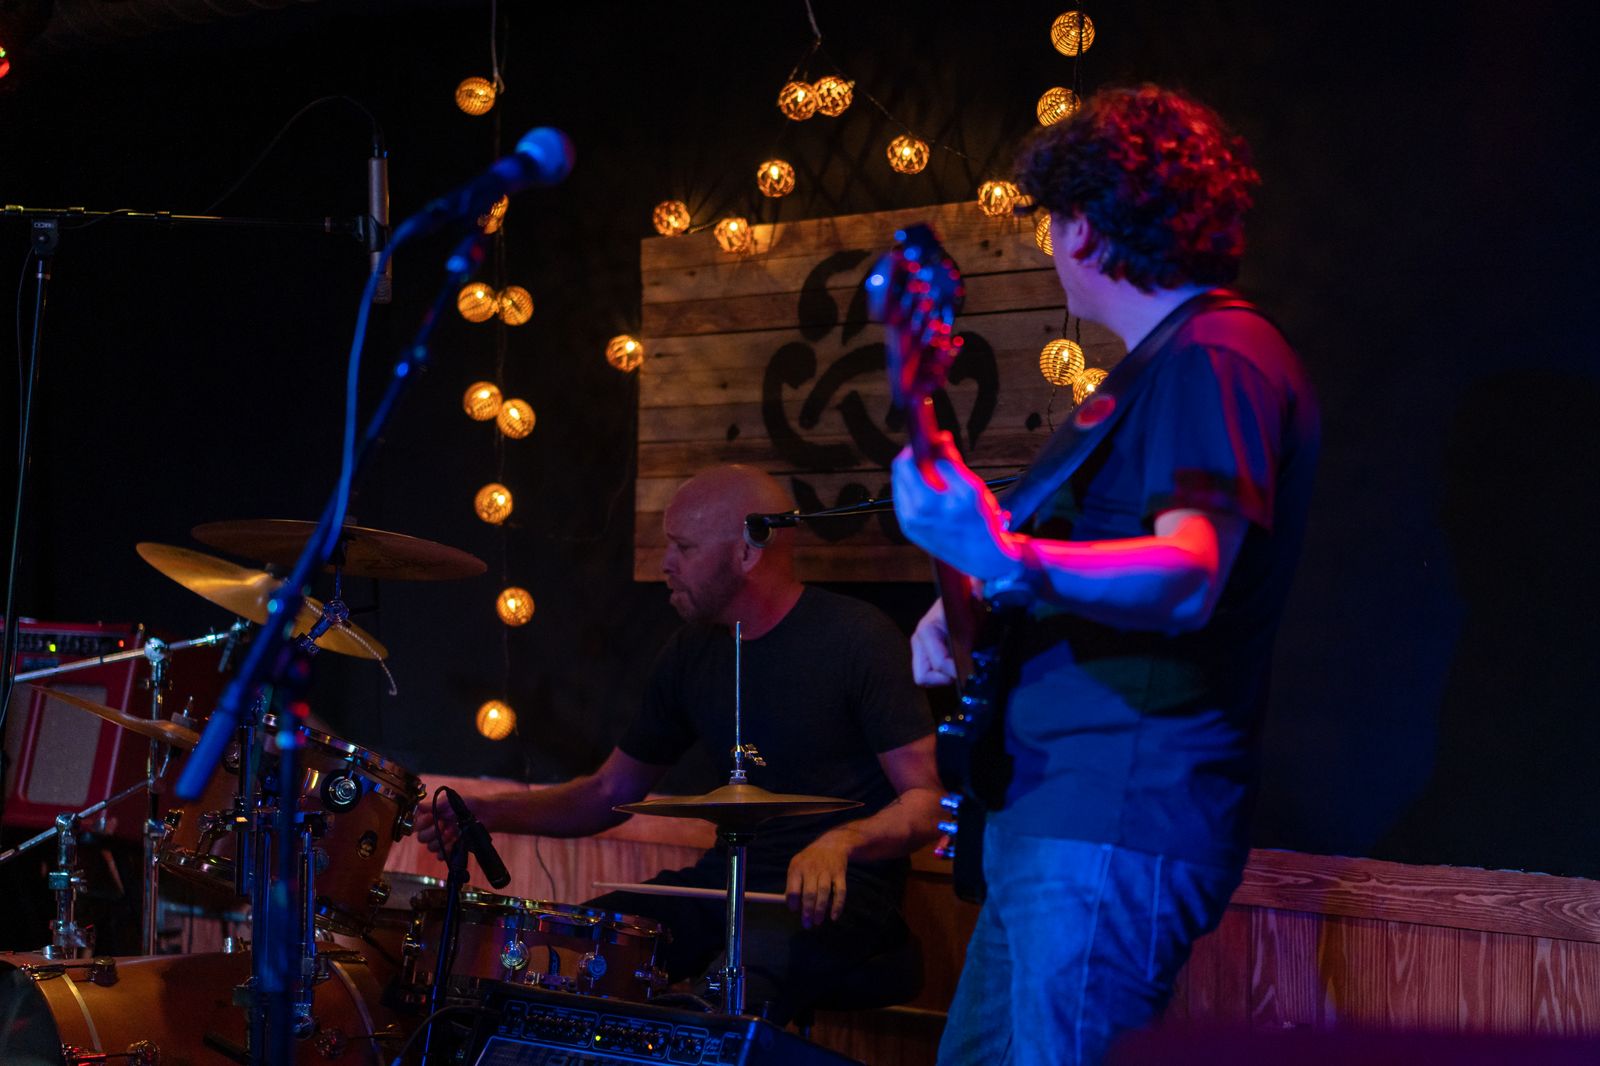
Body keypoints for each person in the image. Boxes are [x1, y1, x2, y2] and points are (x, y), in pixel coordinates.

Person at [890, 85, 1320, 1065]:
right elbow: (1087, 563)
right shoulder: (1160, 366)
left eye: (1050, 221)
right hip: (1057, 809)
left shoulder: (1216, 353)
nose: (1049, 245)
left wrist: (1006, 557)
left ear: (1081, 225)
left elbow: (1189, 574)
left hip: (1114, 809)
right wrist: (977, 596)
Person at [416, 464, 941, 1022]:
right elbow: (608, 794)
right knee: (573, 952)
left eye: (683, 547)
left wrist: (844, 841)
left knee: (729, 989)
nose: (666, 563)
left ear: (747, 553)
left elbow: (928, 801)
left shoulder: (858, 639)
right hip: (722, 885)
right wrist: (486, 814)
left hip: (839, 895)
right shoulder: (691, 652)